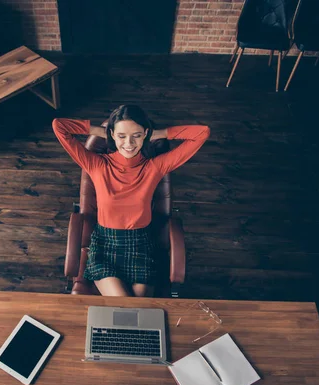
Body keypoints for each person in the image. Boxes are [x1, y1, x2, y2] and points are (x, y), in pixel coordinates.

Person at [52, 105, 210, 297]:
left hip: (141, 245)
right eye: (121, 136)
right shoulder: (96, 164)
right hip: (106, 246)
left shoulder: (155, 167)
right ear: (112, 134)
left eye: (136, 135)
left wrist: (156, 133)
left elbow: (202, 133)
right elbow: (59, 125)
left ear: (145, 134)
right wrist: (102, 132)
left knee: (140, 308)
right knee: (124, 303)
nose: (129, 143)